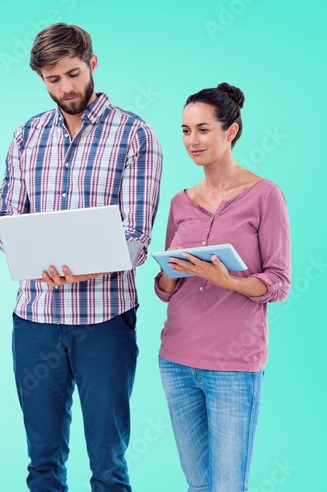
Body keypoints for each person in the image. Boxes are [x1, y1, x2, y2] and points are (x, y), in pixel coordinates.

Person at [0, 23, 163, 491]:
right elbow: (6, 218)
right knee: (42, 461)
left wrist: (87, 266)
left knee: (107, 462)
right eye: (52, 80)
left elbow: (137, 236)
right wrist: (31, 251)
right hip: (35, 318)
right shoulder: (26, 135)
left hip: (104, 319)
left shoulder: (135, 134)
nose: (65, 88)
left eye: (72, 74)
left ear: (92, 63)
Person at [155, 83, 291, 491]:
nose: (191, 141)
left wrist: (225, 280)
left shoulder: (265, 196)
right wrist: (169, 271)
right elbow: (165, 288)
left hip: (234, 366)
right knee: (198, 484)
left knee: (228, 487)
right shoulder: (181, 201)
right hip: (177, 360)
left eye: (202, 130)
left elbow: (279, 282)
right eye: (184, 131)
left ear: (230, 132)